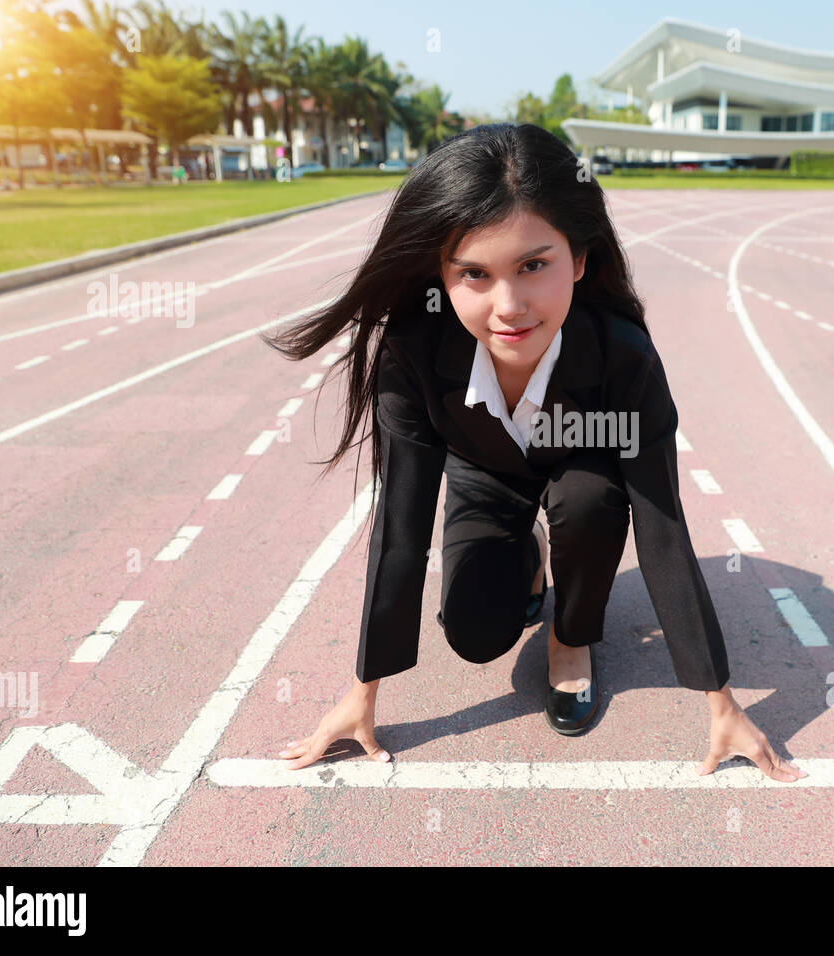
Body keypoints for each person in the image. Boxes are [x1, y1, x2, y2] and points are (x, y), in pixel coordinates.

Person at [263, 122, 803, 783]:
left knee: (589, 499)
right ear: (442, 271)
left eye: (533, 265)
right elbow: (401, 525)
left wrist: (719, 699)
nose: (508, 307)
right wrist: (362, 691)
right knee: (474, 635)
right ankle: (532, 560)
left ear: (580, 258)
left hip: (582, 464)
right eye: (474, 274)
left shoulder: (623, 360)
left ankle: (571, 639)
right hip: (484, 470)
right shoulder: (415, 354)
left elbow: (662, 525)